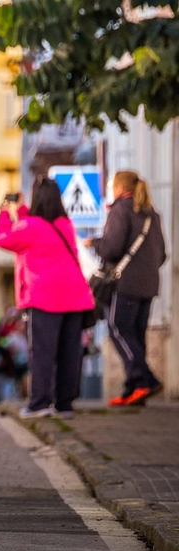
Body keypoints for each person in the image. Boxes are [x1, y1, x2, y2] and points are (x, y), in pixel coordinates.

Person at [0, 178, 95, 420]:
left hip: (44, 298)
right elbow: (40, 224)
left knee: (42, 353)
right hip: (75, 297)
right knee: (69, 352)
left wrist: (4, 215)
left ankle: (39, 402)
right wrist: (21, 210)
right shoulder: (66, 224)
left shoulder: (29, 227)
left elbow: (3, 238)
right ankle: (64, 404)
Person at [92, 170, 168, 406]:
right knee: (136, 335)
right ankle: (133, 390)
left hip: (125, 284)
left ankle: (145, 379)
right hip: (149, 284)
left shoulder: (120, 210)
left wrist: (94, 243)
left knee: (118, 328)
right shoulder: (151, 215)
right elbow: (162, 254)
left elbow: (112, 249)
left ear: (118, 187)